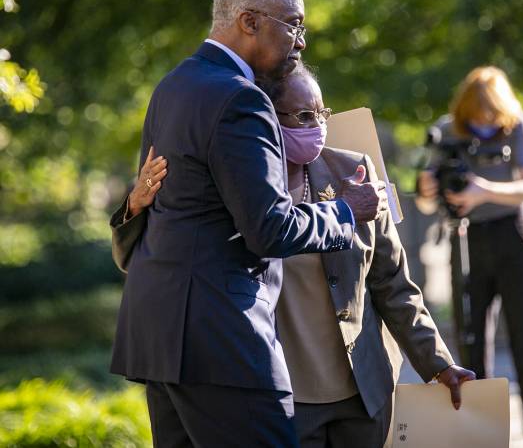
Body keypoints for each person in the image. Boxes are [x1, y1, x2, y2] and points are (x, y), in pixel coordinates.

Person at [112, 64, 476, 447]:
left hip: (363, 393)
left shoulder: (354, 173)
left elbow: (393, 282)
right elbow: (147, 261)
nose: (317, 125)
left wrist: (438, 364)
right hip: (282, 399)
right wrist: (135, 208)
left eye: (322, 114)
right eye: (303, 116)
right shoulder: (230, 194)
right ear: (265, 120)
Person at [109, 0, 388, 447]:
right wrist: (346, 211)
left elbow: (169, 210)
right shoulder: (242, 99)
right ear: (250, 21)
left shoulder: (173, 85)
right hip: (222, 341)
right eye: (294, 25)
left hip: (160, 338)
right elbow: (269, 229)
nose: (301, 42)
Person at [415, 66, 523, 447]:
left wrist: (483, 190)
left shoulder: (517, 124)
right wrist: (427, 189)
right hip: (465, 239)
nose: (482, 124)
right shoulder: (447, 129)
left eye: (489, 117)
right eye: (475, 118)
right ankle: (484, 437)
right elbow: (428, 202)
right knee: (471, 344)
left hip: (514, 236)